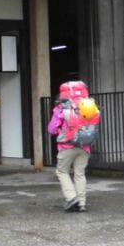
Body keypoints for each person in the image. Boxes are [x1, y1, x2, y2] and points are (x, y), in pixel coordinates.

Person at [47, 80, 99, 212]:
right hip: (85, 147)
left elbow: (51, 129)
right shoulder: (89, 107)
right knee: (80, 174)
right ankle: (81, 203)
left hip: (67, 147)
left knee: (62, 171)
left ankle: (72, 198)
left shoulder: (61, 109)